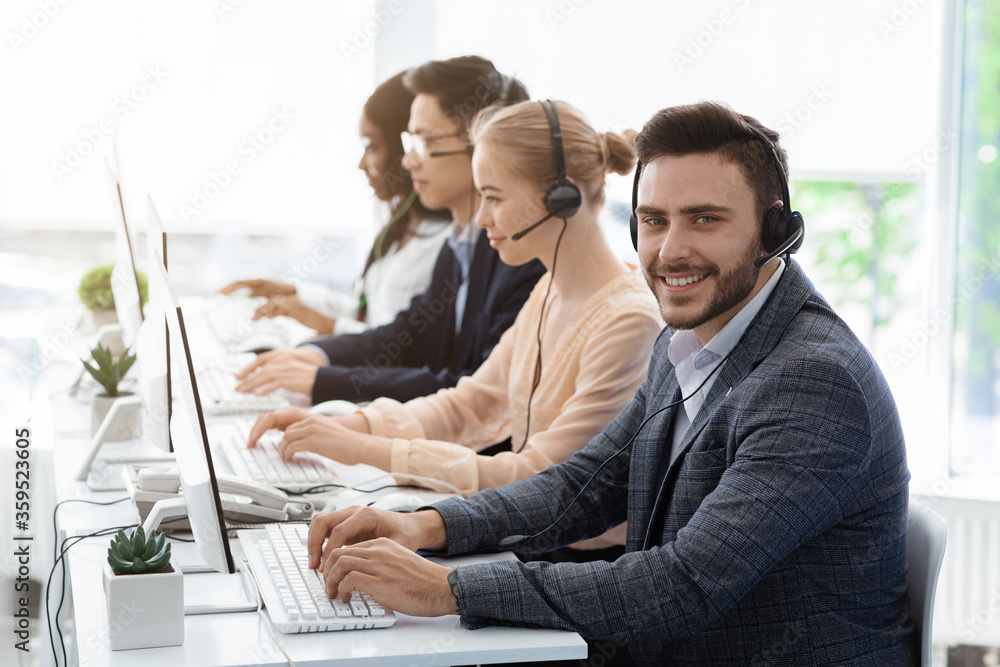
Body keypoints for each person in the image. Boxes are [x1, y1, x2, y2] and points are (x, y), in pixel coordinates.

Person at [300, 101, 915, 665]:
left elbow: (682, 587)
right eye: (654, 220)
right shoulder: (686, 343)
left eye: (705, 219)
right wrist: (427, 525)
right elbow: (583, 485)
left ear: (775, 229)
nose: (672, 250)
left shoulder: (812, 381)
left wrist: (448, 587)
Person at [247, 100, 662, 562]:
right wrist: (341, 426)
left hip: (574, 565)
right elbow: (472, 403)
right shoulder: (549, 290)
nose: (481, 218)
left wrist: (367, 448)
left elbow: (542, 478)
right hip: (525, 541)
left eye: (495, 197)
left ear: (560, 197)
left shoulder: (629, 322)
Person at [234, 56, 546, 405]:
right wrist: (317, 355)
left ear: (481, 146)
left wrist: (328, 381)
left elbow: (477, 393)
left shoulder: (521, 256)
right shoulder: (461, 244)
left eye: (425, 143)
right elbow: (408, 336)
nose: (408, 160)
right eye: (410, 142)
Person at [220, 72, 452, 336]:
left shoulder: (444, 242)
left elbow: (397, 346)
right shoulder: (397, 220)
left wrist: (322, 323)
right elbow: (368, 313)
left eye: (373, 146)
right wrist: (295, 294)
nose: (362, 164)